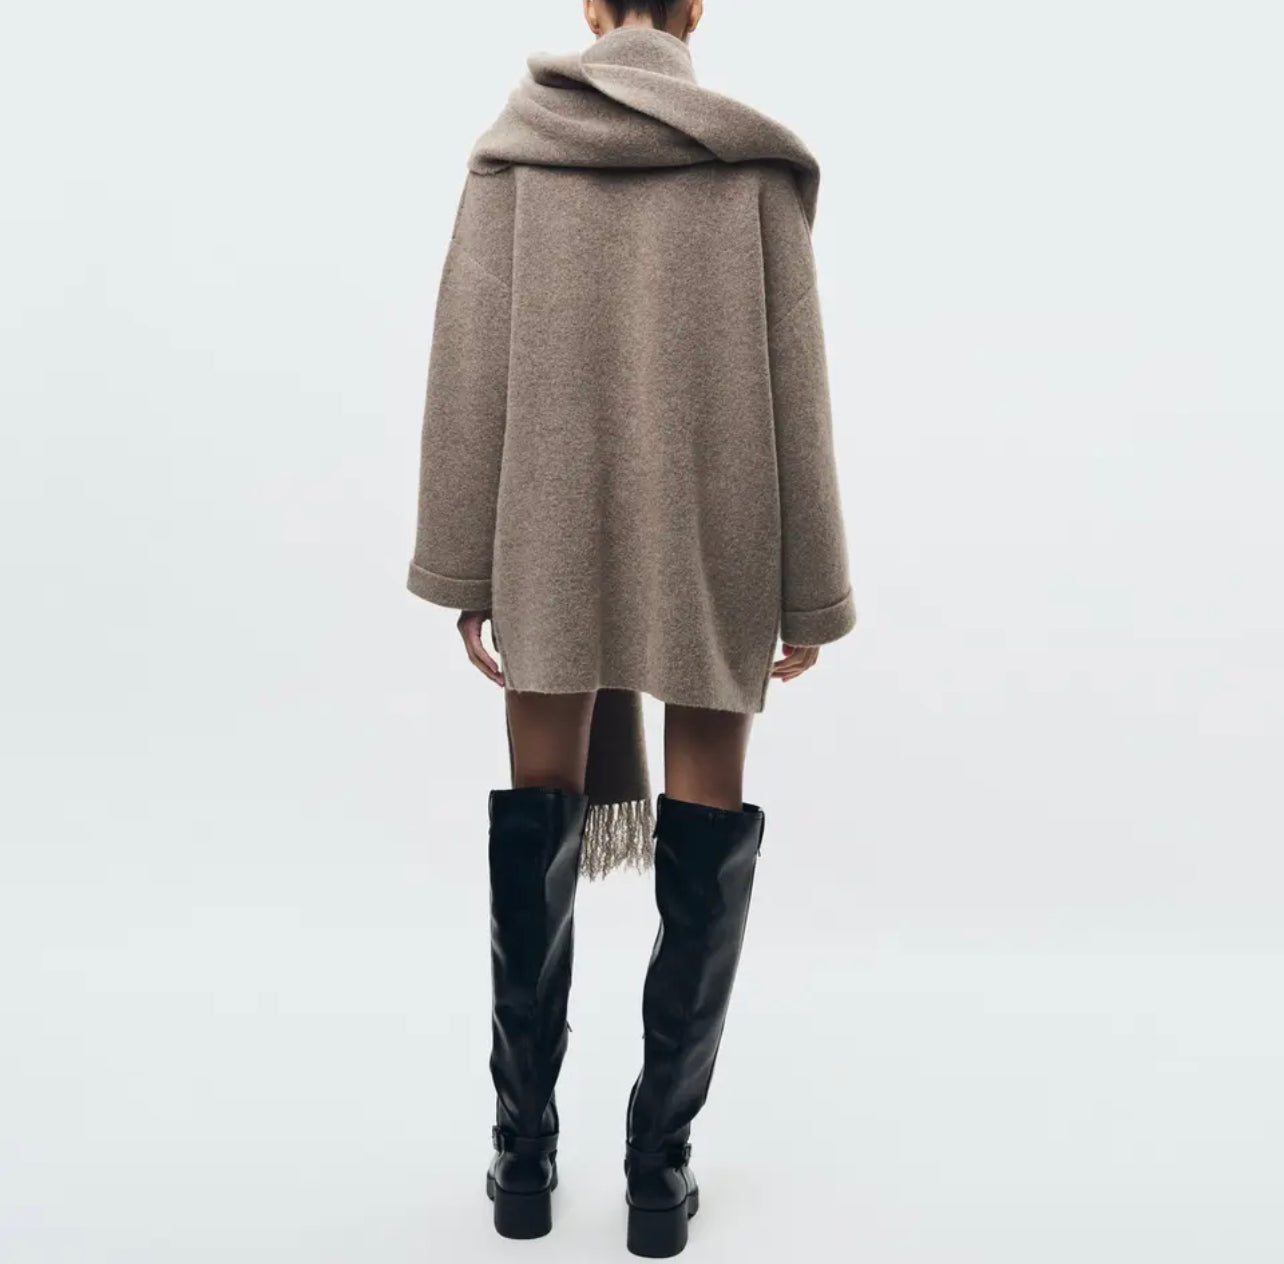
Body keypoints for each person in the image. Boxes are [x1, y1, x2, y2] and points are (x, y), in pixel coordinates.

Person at [406, 0, 855, 1254]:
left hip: (549, 526)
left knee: (537, 803)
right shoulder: (753, 167)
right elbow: (799, 393)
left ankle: (522, 1157)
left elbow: (468, 370)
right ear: (694, 8)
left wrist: (467, 562)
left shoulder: (515, 154)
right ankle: (658, 1171)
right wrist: (808, 587)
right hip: (718, 532)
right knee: (708, 809)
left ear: (591, 9)